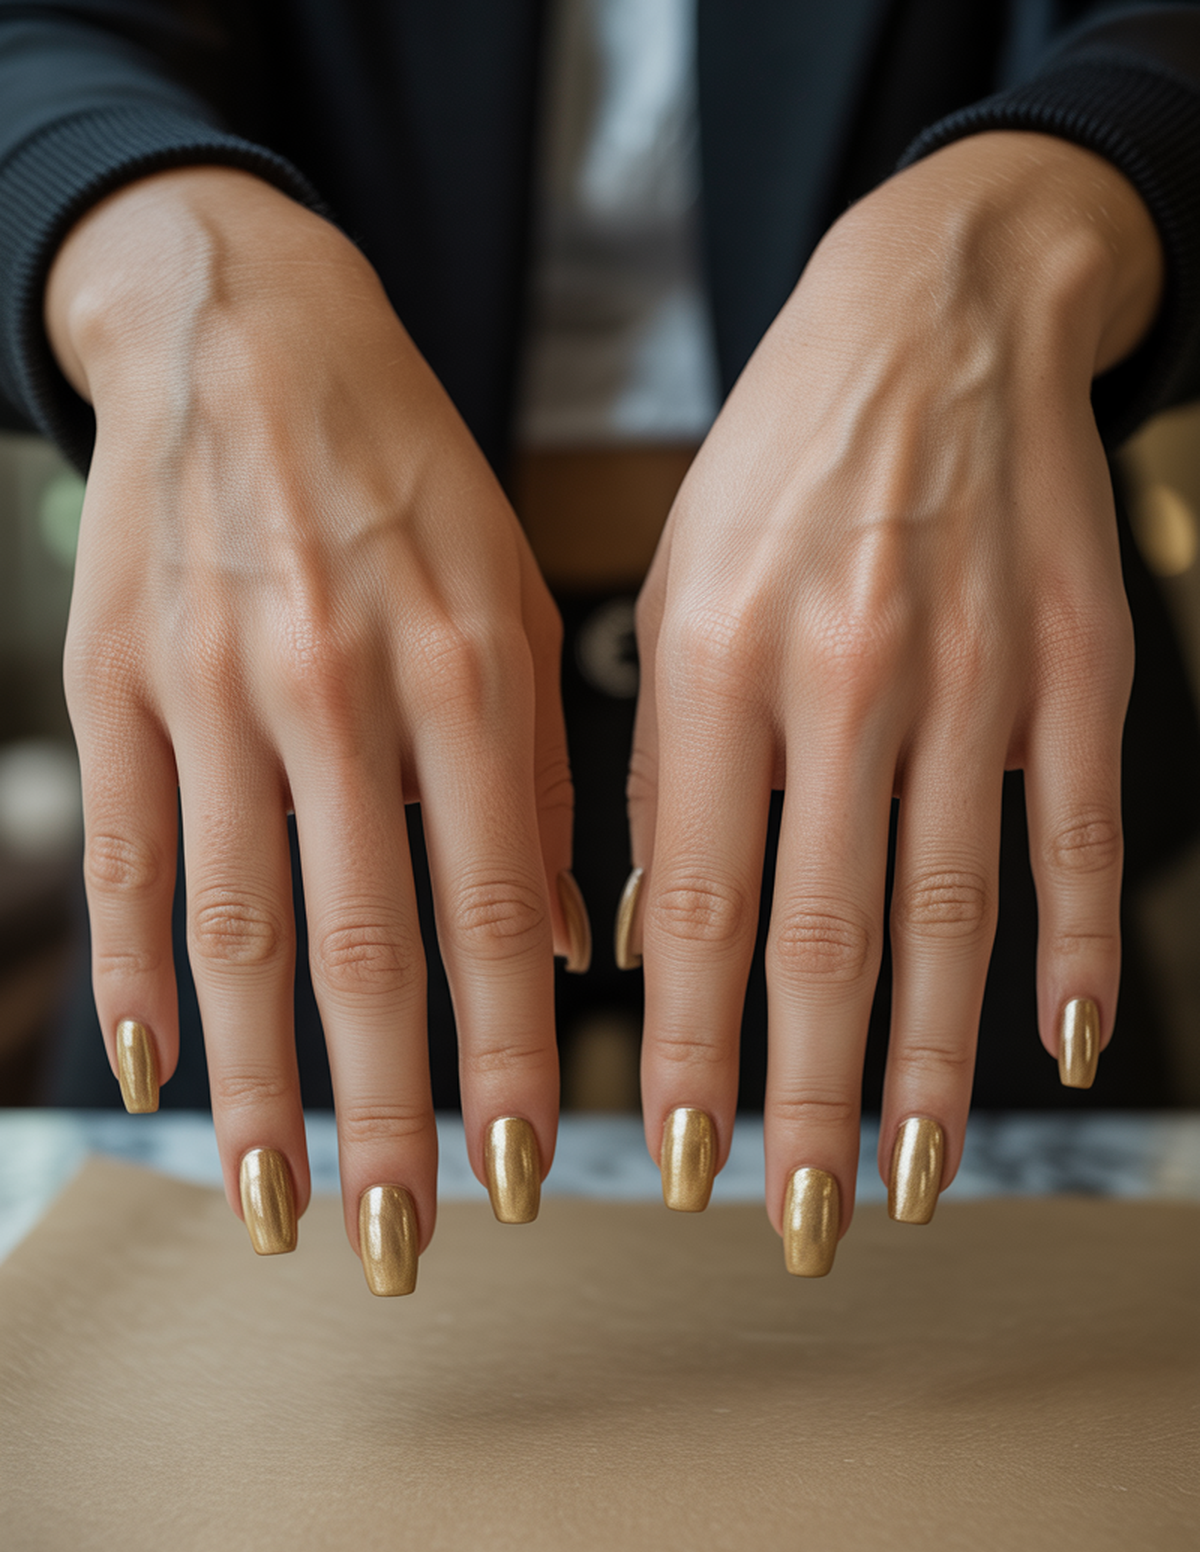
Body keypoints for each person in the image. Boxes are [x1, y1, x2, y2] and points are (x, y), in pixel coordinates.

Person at [1, 0, 1199, 1289]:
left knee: (1007, 1346)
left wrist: (1040, 212)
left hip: (919, 672)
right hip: (312, 675)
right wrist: (150, 241)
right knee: (225, 1340)